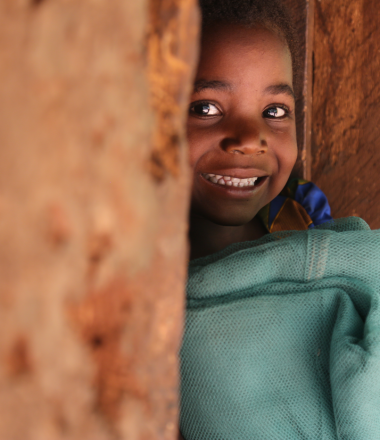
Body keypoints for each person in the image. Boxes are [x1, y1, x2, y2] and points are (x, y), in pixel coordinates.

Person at [179, 1, 380, 439]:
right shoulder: (137, 296)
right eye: (206, 108)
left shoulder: (315, 241)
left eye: (274, 112)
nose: (251, 139)